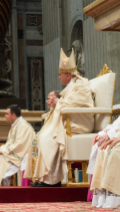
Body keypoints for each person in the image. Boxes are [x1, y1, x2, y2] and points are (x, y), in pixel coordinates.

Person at [24, 48, 94, 187]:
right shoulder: (72, 85)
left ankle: (52, 180)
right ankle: (45, 178)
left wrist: (58, 103)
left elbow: (73, 104)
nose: (59, 77)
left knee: (49, 138)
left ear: (68, 75)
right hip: (71, 120)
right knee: (42, 136)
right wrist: (56, 104)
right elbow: (67, 104)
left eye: (60, 74)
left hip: (80, 123)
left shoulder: (81, 86)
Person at [0, 105, 35, 187]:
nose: (5, 116)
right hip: (13, 153)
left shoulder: (23, 126)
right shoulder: (15, 125)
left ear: (13, 115)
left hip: (20, 155)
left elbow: (19, 144)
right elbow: (9, 144)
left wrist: (0, 151)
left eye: (7, 114)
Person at [21, 90, 60, 186]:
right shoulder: (50, 113)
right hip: (52, 136)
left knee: (45, 141)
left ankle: (50, 180)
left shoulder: (59, 110)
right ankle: (42, 178)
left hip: (58, 137)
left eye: (49, 98)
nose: (47, 101)